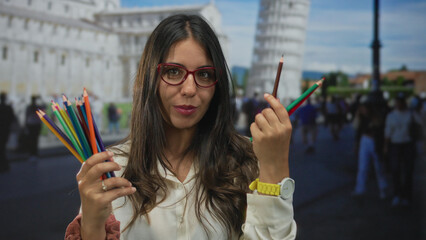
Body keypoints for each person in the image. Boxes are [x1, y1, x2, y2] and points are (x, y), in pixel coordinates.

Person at [65, 14, 296, 239]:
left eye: (204, 74)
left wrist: (274, 168)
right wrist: (92, 224)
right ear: (149, 78)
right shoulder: (112, 168)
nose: (189, 89)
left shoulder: (246, 161)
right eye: (173, 72)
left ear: (218, 86)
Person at [352, 97, 389, 199]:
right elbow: (357, 130)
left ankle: (383, 189)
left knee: (379, 166)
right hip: (365, 140)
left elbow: (380, 130)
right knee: (363, 166)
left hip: (375, 141)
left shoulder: (377, 117)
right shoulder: (361, 117)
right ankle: (360, 189)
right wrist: (356, 144)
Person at [384, 93, 417, 207]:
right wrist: (386, 146)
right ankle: (397, 194)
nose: (398, 104)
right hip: (395, 145)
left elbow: (419, 126)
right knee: (395, 170)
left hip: (408, 144)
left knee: (408, 171)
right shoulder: (391, 115)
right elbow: (388, 133)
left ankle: (407, 195)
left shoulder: (411, 114)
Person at [25, 95, 44, 162]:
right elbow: (44, 106)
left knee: (32, 140)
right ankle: (34, 154)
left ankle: (32, 154)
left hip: (31, 125)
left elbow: (26, 117)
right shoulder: (37, 107)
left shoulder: (29, 107)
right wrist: (41, 99)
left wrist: (26, 126)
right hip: (36, 125)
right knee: (35, 140)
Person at [0, 92, 16, 172]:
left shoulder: (4, 108)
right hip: (6, 130)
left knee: (2, 148)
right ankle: (5, 165)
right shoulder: (8, 108)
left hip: (3, 130)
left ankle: (4, 165)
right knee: (2, 148)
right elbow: (12, 118)